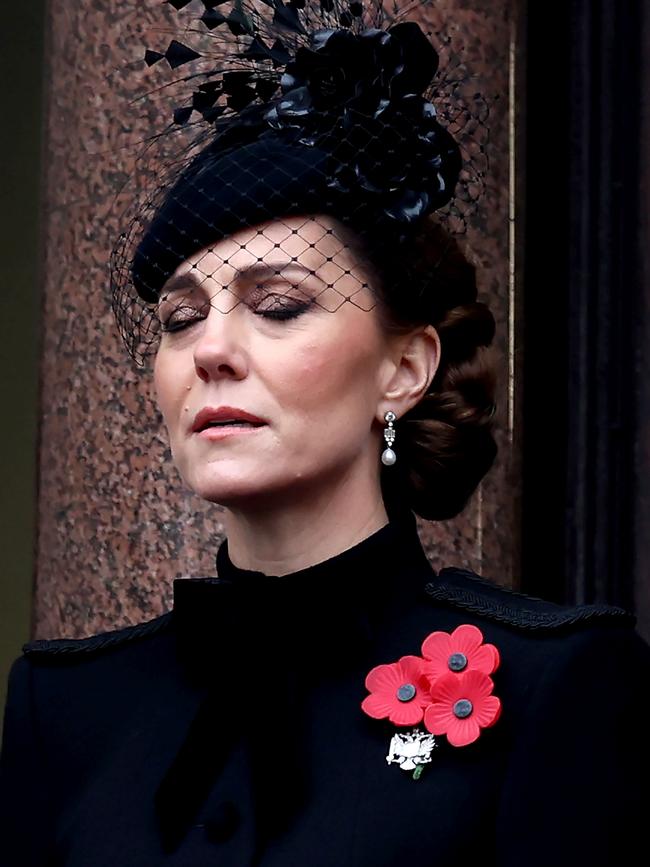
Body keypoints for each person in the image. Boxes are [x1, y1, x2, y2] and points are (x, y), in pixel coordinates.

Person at [1, 2, 648, 865]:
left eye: (278, 306)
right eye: (181, 319)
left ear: (405, 369)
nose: (212, 352)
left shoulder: (550, 682)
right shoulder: (68, 706)